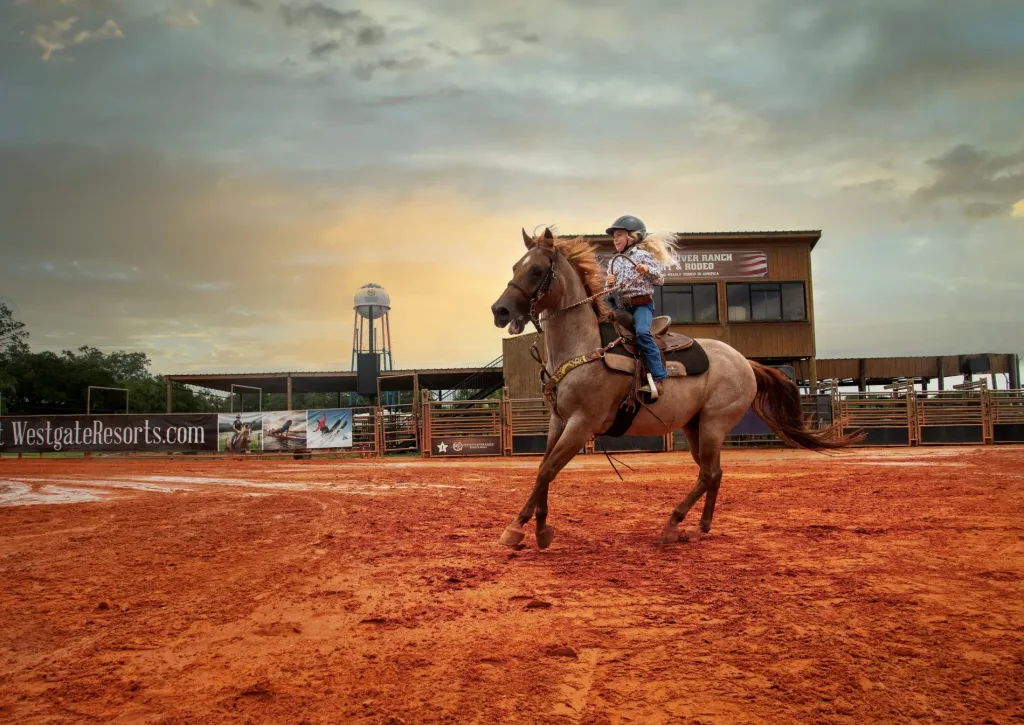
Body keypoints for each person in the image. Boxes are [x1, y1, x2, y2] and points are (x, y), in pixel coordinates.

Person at [604, 215, 680, 399]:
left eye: (619, 235)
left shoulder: (643, 255)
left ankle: (659, 377)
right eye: (614, 236)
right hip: (621, 308)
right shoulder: (614, 261)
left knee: (643, 334)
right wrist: (609, 284)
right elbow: (609, 291)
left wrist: (647, 269)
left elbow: (660, 280)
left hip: (642, 306)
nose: (615, 239)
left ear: (632, 236)